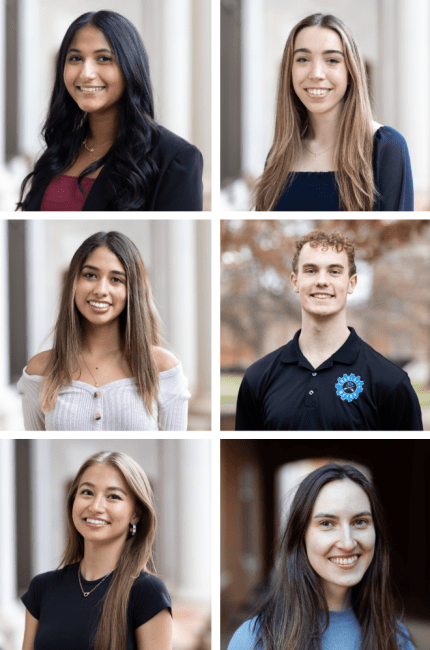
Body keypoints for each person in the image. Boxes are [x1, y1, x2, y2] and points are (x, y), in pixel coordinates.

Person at [235, 230, 422, 430]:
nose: (322, 281)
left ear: (351, 283)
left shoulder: (390, 382)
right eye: (310, 270)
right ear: (295, 281)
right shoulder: (257, 377)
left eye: (334, 271)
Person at [17, 11, 203, 211]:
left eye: (103, 58)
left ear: (130, 67)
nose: (86, 73)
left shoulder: (175, 159)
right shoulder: (58, 151)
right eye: (76, 58)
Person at [227, 463, 415, 650]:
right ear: (301, 536)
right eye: (327, 523)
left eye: (360, 522)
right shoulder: (254, 640)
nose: (348, 543)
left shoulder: (397, 639)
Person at [17, 231, 190, 431]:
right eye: (90, 275)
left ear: (132, 291)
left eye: (116, 279)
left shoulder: (163, 368)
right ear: (74, 282)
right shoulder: (40, 369)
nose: (100, 289)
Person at [253, 14, 413, 211]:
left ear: (350, 72)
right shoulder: (279, 155)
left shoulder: (386, 146)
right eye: (303, 59)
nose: (316, 74)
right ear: (289, 71)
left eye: (332, 60)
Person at [21, 451, 172, 650]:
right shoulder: (42, 588)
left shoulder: (147, 592)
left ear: (135, 514)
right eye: (87, 492)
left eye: (113, 496)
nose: (96, 506)